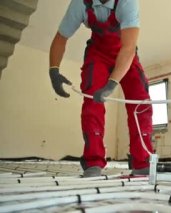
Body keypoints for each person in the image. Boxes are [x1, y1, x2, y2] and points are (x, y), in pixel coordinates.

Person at [49, 0, 153, 177]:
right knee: (92, 102)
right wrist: (54, 70)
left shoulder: (127, 3)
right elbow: (61, 38)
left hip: (126, 54)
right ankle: (93, 162)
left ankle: (142, 161)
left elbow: (128, 48)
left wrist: (112, 83)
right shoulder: (81, 4)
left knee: (140, 102)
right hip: (97, 54)